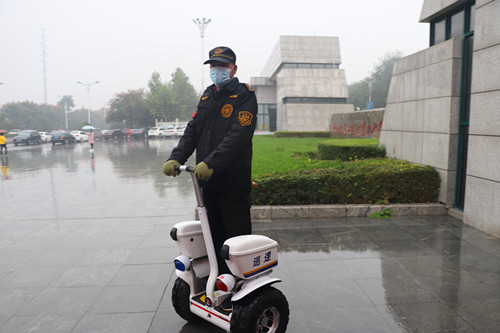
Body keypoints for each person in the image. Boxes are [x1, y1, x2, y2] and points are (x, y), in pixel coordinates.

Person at [162, 46, 258, 274]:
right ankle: (219, 279)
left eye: (223, 65)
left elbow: (238, 135)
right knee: (212, 235)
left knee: (236, 241)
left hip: (233, 182)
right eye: (214, 65)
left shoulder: (245, 95)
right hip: (207, 181)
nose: (217, 70)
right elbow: (193, 130)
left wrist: (212, 162)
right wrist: (176, 157)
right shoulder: (207, 95)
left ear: (233, 69)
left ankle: (243, 285)